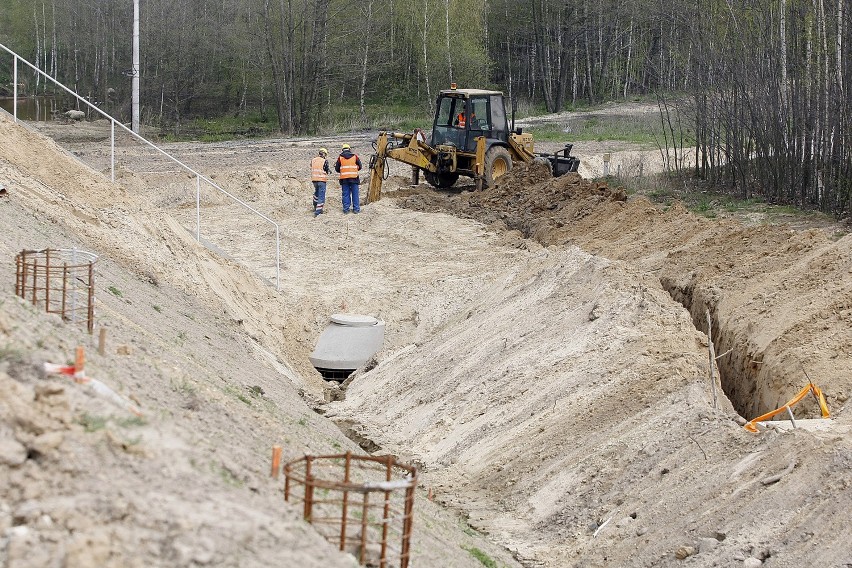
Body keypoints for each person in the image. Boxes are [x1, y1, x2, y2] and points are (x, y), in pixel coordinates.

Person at [335, 143, 362, 214]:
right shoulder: (355, 156)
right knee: (355, 194)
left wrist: (343, 170)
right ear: (350, 149)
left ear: (342, 150)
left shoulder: (340, 157)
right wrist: (354, 170)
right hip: (354, 178)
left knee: (346, 194)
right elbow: (360, 166)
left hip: (344, 179)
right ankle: (356, 209)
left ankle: (346, 209)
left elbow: (337, 169)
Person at [310, 147, 330, 216]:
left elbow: (312, 166)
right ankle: (318, 211)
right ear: (324, 154)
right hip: (321, 180)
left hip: (314, 180)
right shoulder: (324, 161)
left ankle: (315, 206)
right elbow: (326, 169)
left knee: (316, 193)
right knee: (321, 196)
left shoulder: (313, 160)